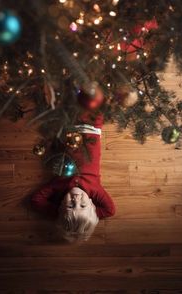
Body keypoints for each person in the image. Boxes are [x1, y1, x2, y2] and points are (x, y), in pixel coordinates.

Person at [31, 92, 116, 243]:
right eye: (82, 205)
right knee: (95, 96)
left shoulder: (58, 187)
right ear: (91, 204)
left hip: (67, 129)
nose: (76, 199)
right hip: (92, 129)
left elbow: (37, 200)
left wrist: (58, 213)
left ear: (61, 206)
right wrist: (88, 215)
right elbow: (110, 211)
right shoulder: (94, 190)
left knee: (66, 94)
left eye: (70, 205)